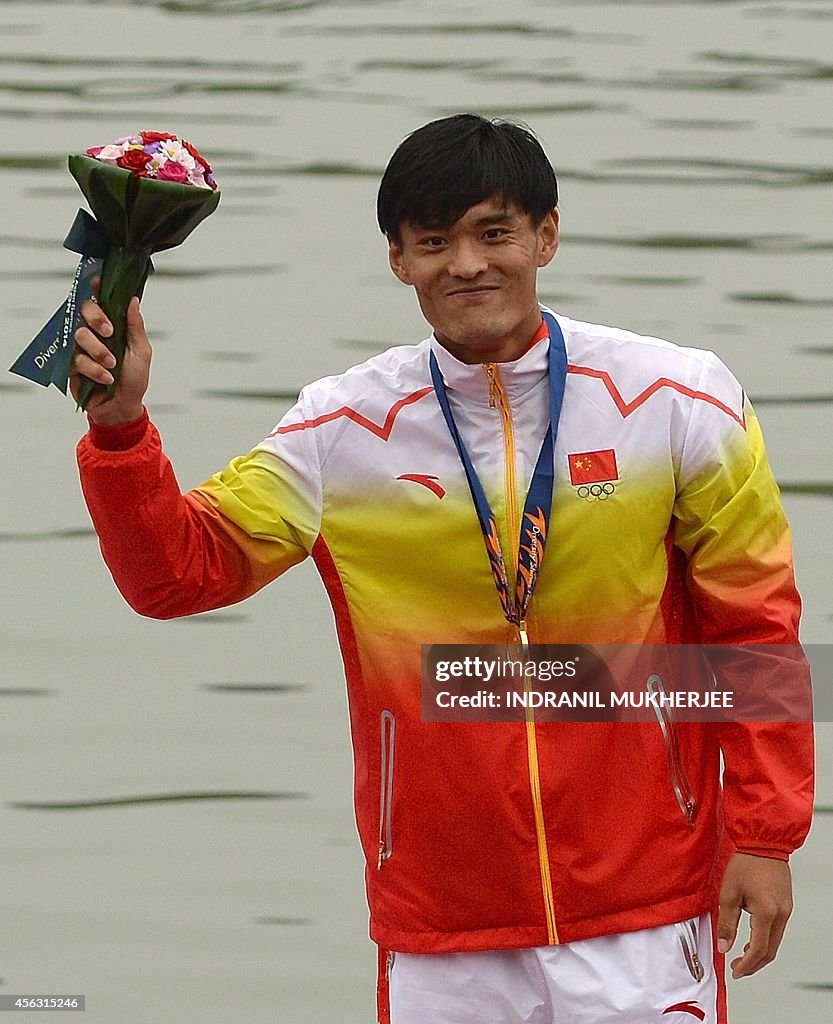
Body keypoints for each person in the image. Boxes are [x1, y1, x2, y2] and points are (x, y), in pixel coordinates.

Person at [70, 114, 813, 1024]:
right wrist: (121, 431)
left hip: (646, 908)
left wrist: (765, 836)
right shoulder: (341, 431)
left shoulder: (677, 401)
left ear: (545, 234)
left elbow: (755, 624)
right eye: (433, 242)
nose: (466, 264)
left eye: (493, 233)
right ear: (398, 260)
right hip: (441, 927)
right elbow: (175, 577)